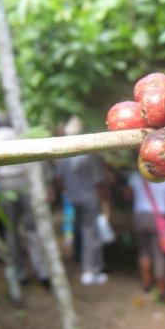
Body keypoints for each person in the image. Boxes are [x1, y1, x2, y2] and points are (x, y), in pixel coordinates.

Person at [0, 113, 50, 287]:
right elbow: (38, 165)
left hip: (5, 186)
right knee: (32, 229)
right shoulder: (22, 136)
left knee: (11, 231)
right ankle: (42, 271)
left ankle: (19, 273)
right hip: (26, 184)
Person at [55, 116, 110, 285]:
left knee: (79, 230)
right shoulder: (89, 155)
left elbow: (59, 179)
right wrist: (104, 201)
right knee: (90, 234)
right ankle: (91, 270)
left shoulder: (62, 154)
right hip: (89, 198)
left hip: (73, 197)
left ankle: (82, 263)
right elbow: (98, 181)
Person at [125, 171, 165, 300]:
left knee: (143, 251)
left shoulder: (135, 175)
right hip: (159, 219)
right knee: (159, 254)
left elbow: (127, 196)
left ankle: (146, 284)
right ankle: (163, 290)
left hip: (140, 217)